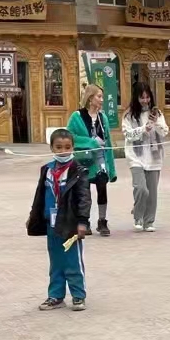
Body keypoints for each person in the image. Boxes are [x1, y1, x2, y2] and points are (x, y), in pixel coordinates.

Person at [27, 127, 91, 311]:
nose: (63, 151)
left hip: (70, 224)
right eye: (59, 147)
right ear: (51, 148)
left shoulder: (78, 171)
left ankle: (78, 296)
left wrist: (82, 222)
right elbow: (39, 196)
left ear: (73, 148)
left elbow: (84, 198)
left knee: (72, 261)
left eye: (67, 147)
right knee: (55, 262)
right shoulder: (47, 170)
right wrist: (33, 216)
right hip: (51, 223)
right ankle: (55, 296)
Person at [66, 84, 116, 236]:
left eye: (102, 97)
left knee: (102, 186)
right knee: (84, 192)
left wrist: (111, 169)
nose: (102, 100)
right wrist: (91, 142)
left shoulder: (103, 117)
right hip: (83, 159)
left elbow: (108, 141)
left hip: (100, 158)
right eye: (99, 96)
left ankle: (102, 220)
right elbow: (69, 136)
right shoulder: (76, 116)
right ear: (90, 98)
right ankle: (84, 221)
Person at [121, 83, 168, 232]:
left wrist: (155, 124)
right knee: (141, 189)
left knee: (152, 193)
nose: (145, 100)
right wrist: (143, 129)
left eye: (147, 97)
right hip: (135, 157)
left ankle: (149, 221)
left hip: (154, 158)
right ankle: (138, 216)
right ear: (136, 98)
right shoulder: (128, 115)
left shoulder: (157, 113)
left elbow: (164, 132)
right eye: (142, 97)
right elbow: (128, 135)